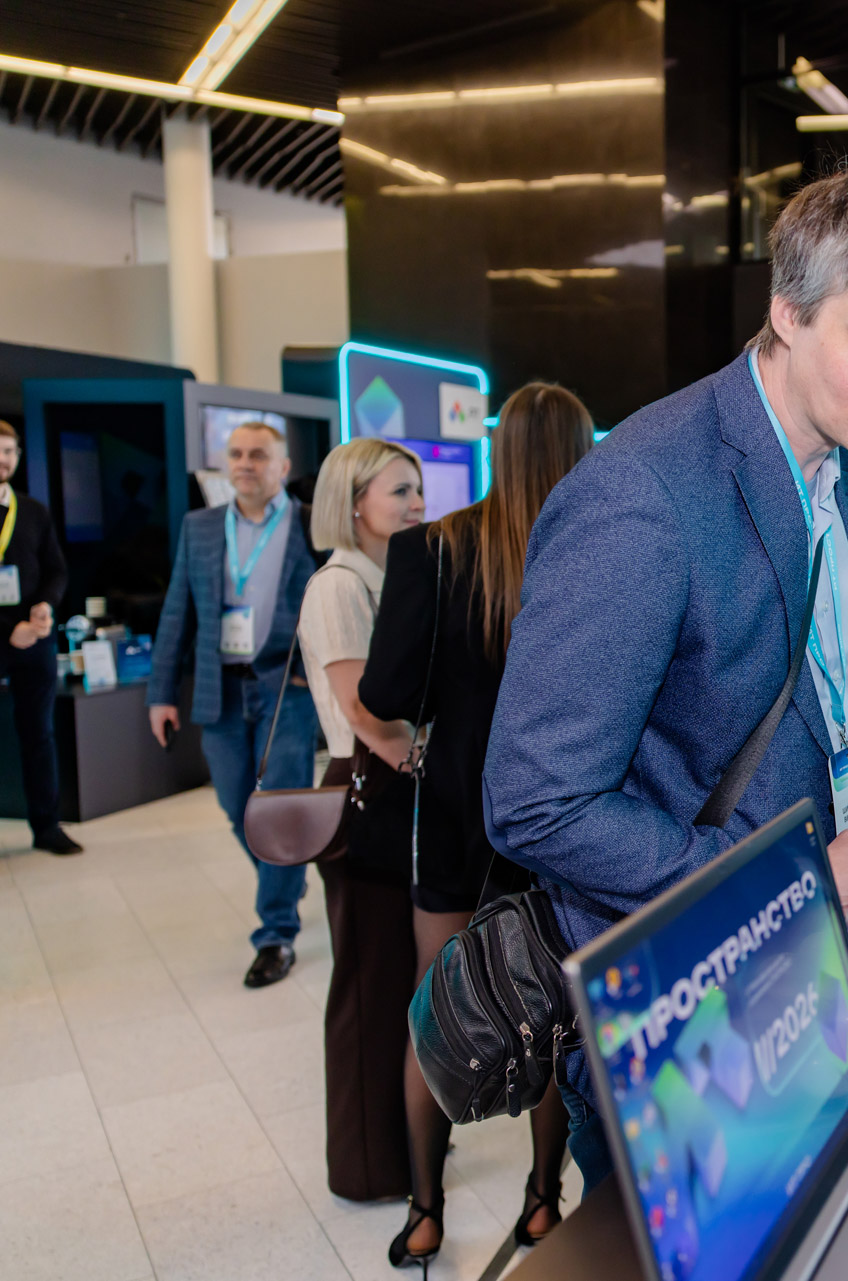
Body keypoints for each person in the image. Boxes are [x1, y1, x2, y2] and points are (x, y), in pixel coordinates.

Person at [485, 151, 848, 1192]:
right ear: (787, 313)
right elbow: (536, 801)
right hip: (686, 1012)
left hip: (812, 968)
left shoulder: (841, 459)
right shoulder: (642, 496)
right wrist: (793, 876)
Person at [360, 384, 592, 1262]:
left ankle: (424, 1211)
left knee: (434, 1003)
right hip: (565, 812)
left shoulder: (431, 548)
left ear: (498, 448)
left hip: (458, 804)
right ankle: (542, 1202)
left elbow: (385, 691)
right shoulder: (597, 545)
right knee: (554, 1011)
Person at [297, 437, 425, 1210]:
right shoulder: (340, 584)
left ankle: (401, 1144)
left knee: (394, 979)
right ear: (353, 504)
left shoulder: (386, 575)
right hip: (369, 787)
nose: (417, 503)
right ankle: (369, 1165)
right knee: (369, 987)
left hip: (392, 784)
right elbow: (362, 710)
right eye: (399, 490)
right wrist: (426, 764)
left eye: (417, 488)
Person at [149, 421, 320, 988]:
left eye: (258, 455)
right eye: (237, 454)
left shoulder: (309, 524)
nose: (245, 463)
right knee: (234, 805)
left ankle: (276, 932)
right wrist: (160, 694)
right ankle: (285, 877)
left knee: (277, 808)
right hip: (219, 685)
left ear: (283, 467)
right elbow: (177, 612)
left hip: (285, 686)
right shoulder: (199, 526)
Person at [0, 421, 80, 855]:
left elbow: (56, 570)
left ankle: (47, 827)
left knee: (39, 734)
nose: (3, 459)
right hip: (7, 634)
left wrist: (46, 605)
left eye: (9, 451)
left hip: (35, 639)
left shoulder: (31, 510)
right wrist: (7, 629)